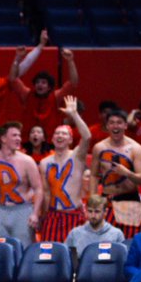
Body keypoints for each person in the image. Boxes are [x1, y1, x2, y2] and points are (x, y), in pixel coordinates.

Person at [38, 95, 94, 244]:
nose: (60, 136)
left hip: (74, 214)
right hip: (52, 215)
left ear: (70, 140)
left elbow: (87, 137)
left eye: (64, 134)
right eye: (57, 133)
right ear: (52, 139)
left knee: (75, 257)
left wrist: (74, 115)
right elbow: (46, 192)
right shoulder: (44, 163)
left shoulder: (77, 156)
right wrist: (42, 215)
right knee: (48, 255)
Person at [0, 121, 44, 242]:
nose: (19, 139)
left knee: (23, 252)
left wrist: (35, 213)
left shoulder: (27, 161)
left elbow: (38, 189)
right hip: (0, 210)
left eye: (19, 136)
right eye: (14, 135)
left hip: (22, 210)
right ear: (3, 139)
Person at [91, 108, 141, 238]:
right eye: (112, 122)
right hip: (107, 200)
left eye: (119, 122)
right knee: (104, 242)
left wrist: (127, 173)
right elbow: (94, 175)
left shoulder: (136, 148)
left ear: (125, 125)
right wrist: (92, 199)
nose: (115, 126)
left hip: (130, 201)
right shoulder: (99, 148)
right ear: (107, 126)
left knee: (128, 243)